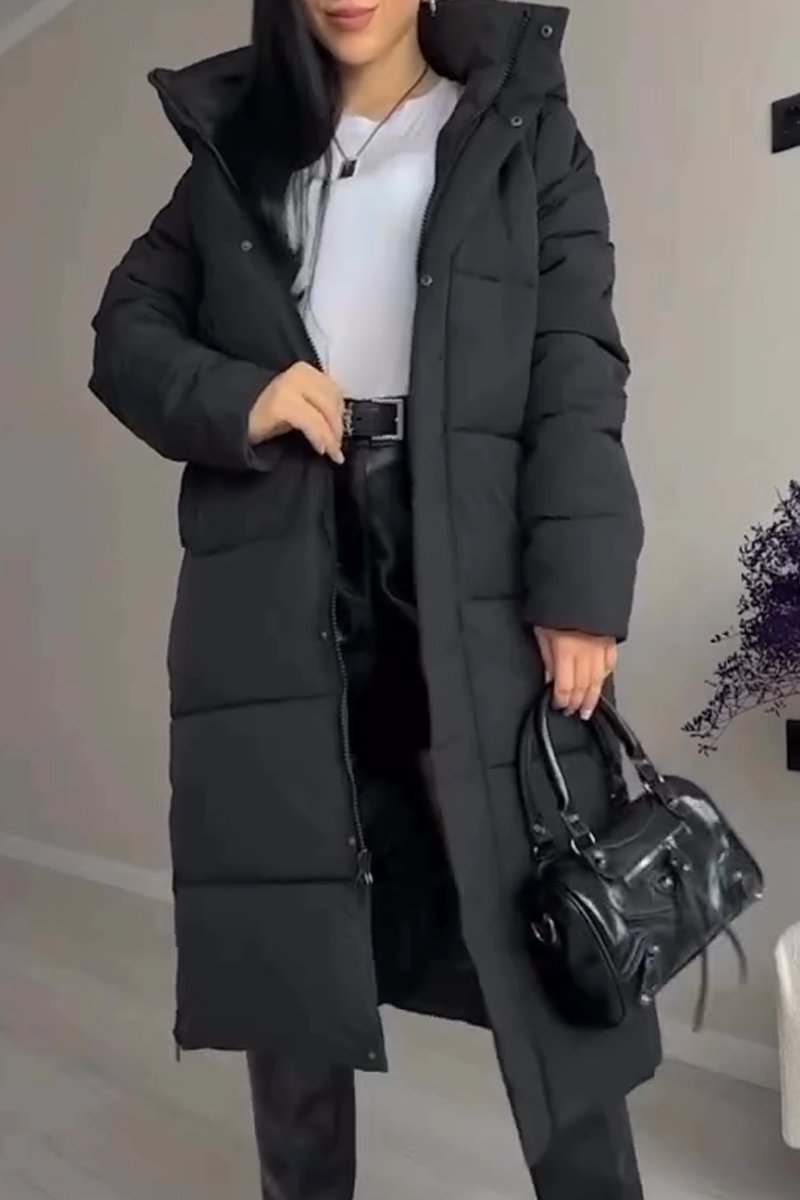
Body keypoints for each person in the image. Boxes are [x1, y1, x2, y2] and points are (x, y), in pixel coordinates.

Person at [89, 0, 657, 1196]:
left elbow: (575, 365)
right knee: (290, 914)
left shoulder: (519, 126)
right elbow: (127, 331)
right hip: (282, 547)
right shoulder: (241, 150)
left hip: (468, 548)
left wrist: (580, 588)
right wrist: (244, 396)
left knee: (545, 916)